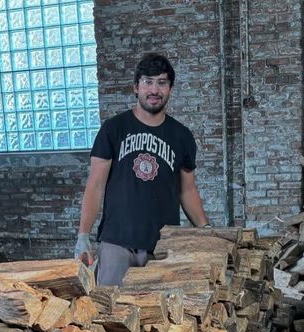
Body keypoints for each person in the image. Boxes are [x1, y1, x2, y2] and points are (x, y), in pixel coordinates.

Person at [74, 53, 211, 286]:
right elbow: (95, 184)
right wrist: (83, 235)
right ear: (136, 87)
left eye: (162, 82)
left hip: (162, 245)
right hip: (118, 241)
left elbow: (187, 191)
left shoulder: (182, 136)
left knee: (160, 315)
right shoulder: (113, 129)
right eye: (148, 81)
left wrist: (206, 230)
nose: (154, 90)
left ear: (170, 89)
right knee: (111, 312)